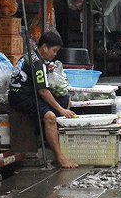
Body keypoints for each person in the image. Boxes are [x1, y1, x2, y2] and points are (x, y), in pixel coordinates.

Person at [8, 29, 78, 169]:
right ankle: (60, 157)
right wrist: (61, 110)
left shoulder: (33, 57)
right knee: (51, 116)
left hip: (28, 94)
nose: (55, 54)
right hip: (20, 97)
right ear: (44, 47)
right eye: (54, 50)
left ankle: (49, 138)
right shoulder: (37, 64)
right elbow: (43, 91)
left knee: (65, 99)